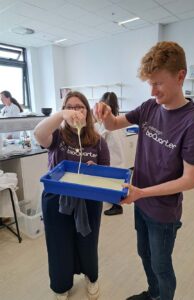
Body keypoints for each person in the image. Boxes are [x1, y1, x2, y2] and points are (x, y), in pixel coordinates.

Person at [94, 41, 194, 300]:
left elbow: (190, 180)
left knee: (161, 265)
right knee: (144, 254)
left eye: (158, 82)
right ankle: (153, 293)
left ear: (180, 76)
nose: (153, 90)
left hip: (163, 211)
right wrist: (105, 112)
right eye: (149, 83)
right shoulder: (149, 107)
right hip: (141, 202)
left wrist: (142, 192)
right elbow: (112, 124)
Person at [34, 91, 110, 300]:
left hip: (88, 201)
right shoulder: (57, 137)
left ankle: (91, 277)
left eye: (80, 107)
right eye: (70, 107)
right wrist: (61, 115)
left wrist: (96, 170)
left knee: (88, 242)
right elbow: (38, 134)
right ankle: (61, 284)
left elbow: (106, 172)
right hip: (56, 200)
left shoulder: (98, 141)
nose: (75, 111)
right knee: (59, 244)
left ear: (87, 111)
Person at [95, 92, 125, 216]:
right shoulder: (119, 119)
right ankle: (116, 201)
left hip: (113, 157)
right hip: (119, 155)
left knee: (113, 182)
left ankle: (117, 206)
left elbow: (99, 138)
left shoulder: (105, 124)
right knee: (117, 181)